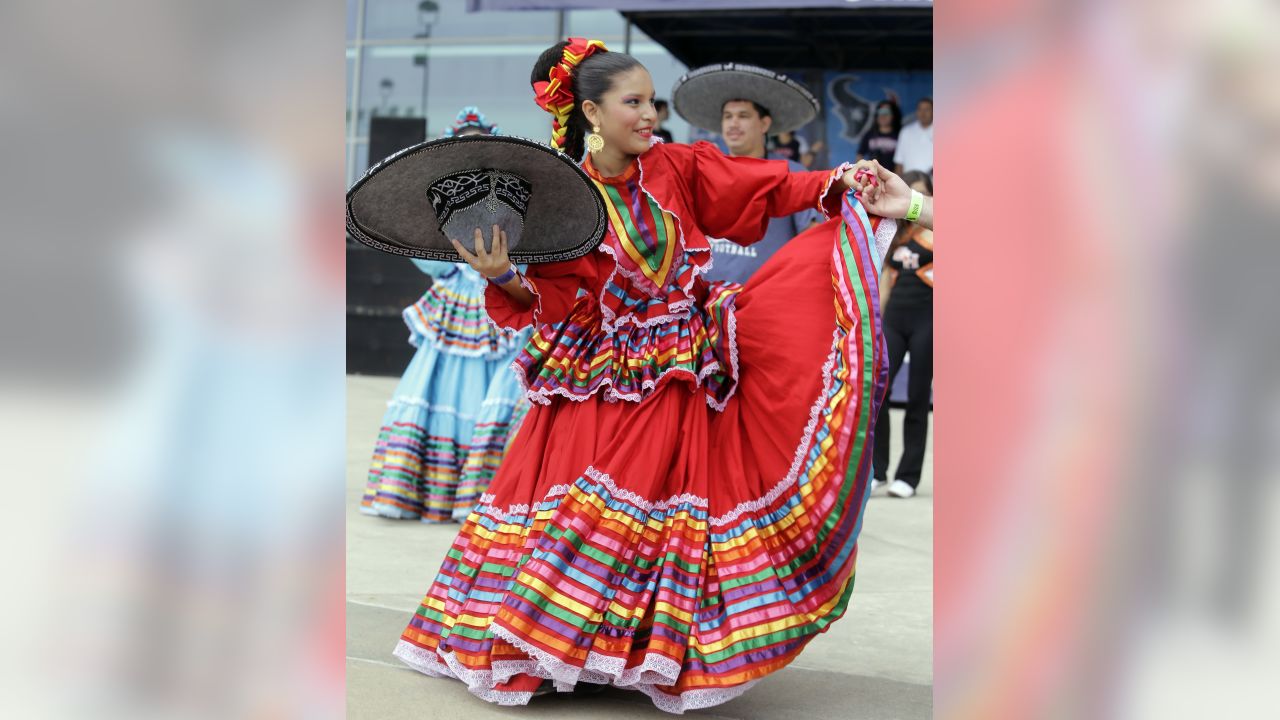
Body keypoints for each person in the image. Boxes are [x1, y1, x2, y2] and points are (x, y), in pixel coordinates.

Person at [392, 38, 896, 713]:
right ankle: (546, 646)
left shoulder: (677, 167)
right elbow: (550, 303)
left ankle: (635, 652)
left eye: (652, 100)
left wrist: (838, 182)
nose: (650, 113)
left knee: (658, 514)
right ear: (593, 114)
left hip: (675, 366)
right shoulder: (565, 197)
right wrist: (503, 277)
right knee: (585, 515)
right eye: (634, 102)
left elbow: (766, 185)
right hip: (594, 377)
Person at [360, 107, 534, 523]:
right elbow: (428, 258)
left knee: (499, 390)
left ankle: (483, 495)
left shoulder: (512, 194)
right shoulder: (439, 198)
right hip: (458, 296)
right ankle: (433, 491)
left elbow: (530, 251)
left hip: (501, 295)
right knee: (444, 385)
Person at [872, 171, 933, 498]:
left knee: (917, 398)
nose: (916, 202)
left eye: (923, 196)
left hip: (929, 319)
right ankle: (877, 470)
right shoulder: (895, 234)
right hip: (894, 319)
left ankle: (908, 476)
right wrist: (875, 321)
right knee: (877, 393)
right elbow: (884, 283)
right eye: (913, 195)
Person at [894, 97, 933, 175]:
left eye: (927, 109)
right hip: (910, 182)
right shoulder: (906, 132)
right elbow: (899, 162)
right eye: (920, 109)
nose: (923, 113)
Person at [857, 100, 901, 169]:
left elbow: (901, 162)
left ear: (893, 115)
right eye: (880, 112)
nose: (883, 116)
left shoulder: (900, 135)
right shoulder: (869, 134)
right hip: (872, 176)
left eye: (886, 113)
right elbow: (860, 155)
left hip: (892, 176)